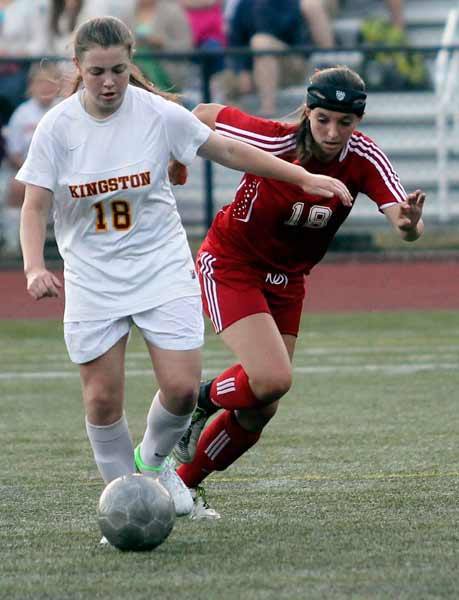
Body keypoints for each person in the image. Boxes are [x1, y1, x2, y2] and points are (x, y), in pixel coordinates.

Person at [17, 17, 352, 524]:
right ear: (78, 69)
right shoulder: (57, 128)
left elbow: (232, 150)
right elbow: (34, 206)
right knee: (102, 399)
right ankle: (125, 505)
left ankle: (153, 470)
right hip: (93, 278)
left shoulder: (156, 114)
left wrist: (302, 175)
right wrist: (33, 267)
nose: (109, 82)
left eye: (119, 70)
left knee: (179, 388)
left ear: (131, 64)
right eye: (97, 72)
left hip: (161, 268)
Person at [169, 65, 426, 516]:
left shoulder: (363, 158)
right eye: (323, 118)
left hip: (288, 280)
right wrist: (177, 159)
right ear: (307, 111)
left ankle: (183, 486)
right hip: (232, 264)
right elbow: (205, 113)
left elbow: (402, 220)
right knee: (271, 379)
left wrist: (408, 227)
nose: (332, 131)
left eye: (345, 123)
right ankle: (199, 402)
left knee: (261, 406)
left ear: (358, 123)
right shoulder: (274, 139)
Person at [228, 0, 335, 116]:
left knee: (261, 42)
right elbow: (235, 42)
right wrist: (241, 71)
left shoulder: (294, 4)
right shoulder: (244, 5)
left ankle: (268, 111)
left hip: (293, 64)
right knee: (221, 81)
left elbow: (300, 43)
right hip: (255, 70)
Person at [2, 62, 62, 257]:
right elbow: (13, 152)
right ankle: (13, 244)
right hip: (28, 172)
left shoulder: (63, 110)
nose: (46, 88)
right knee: (16, 188)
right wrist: (32, 173)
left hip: (62, 172)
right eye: (41, 83)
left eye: (50, 83)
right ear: (32, 85)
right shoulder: (22, 113)